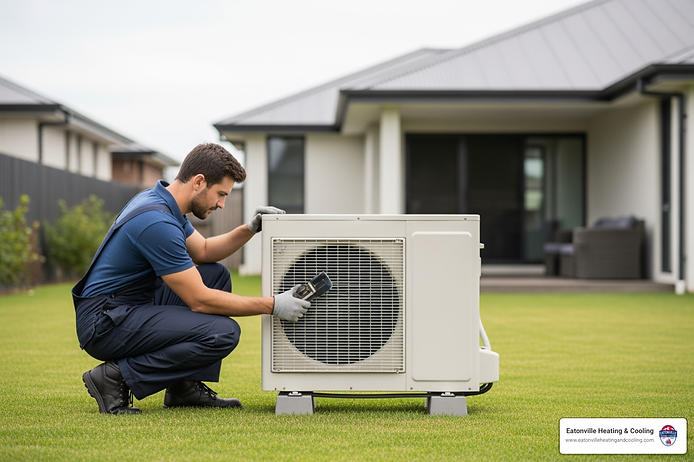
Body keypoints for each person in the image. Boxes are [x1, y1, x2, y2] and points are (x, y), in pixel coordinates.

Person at [72, 143, 310, 414]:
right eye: (220, 194)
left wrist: (249, 228)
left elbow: (204, 251)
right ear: (199, 182)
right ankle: (115, 377)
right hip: (104, 322)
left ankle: (183, 388)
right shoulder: (156, 222)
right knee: (223, 333)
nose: (221, 203)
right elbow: (199, 300)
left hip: (129, 304)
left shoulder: (163, 203)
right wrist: (273, 304)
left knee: (215, 275)